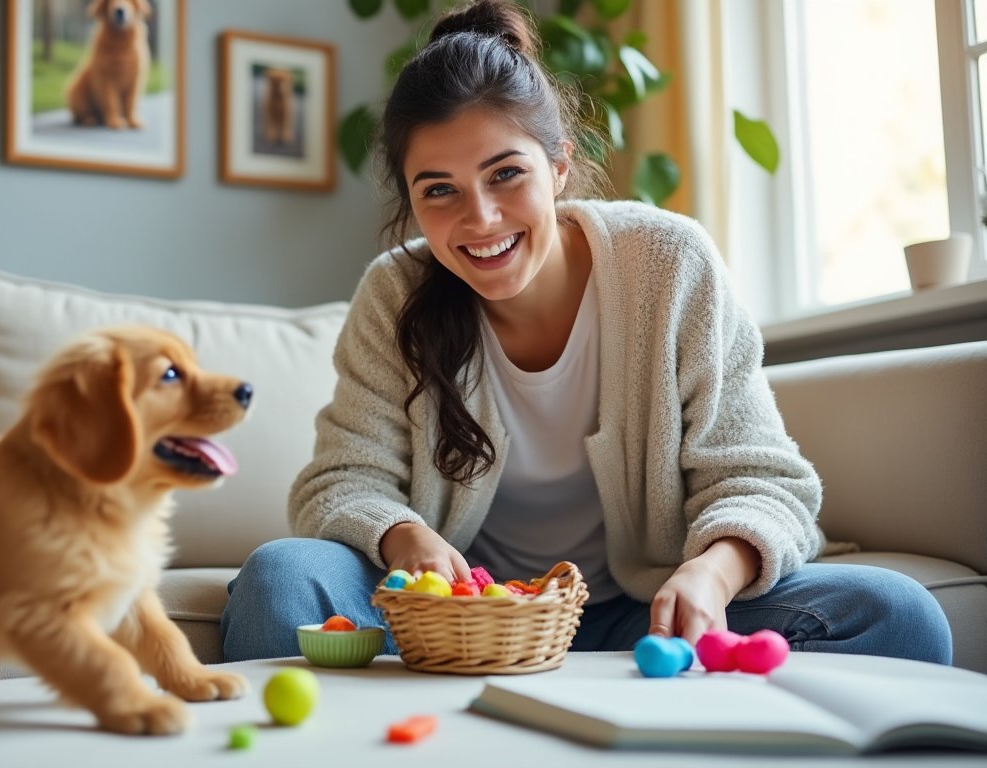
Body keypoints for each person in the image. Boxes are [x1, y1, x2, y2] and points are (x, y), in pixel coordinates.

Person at [219, 0, 952, 664]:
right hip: (450, 624)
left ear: (561, 163)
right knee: (281, 578)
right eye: (438, 190)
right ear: (411, 202)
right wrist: (403, 537)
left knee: (899, 616)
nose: (479, 219)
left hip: (642, 619)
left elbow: (762, 479)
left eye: (505, 174)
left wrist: (711, 573)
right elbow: (342, 481)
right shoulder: (395, 292)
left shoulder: (668, 264)